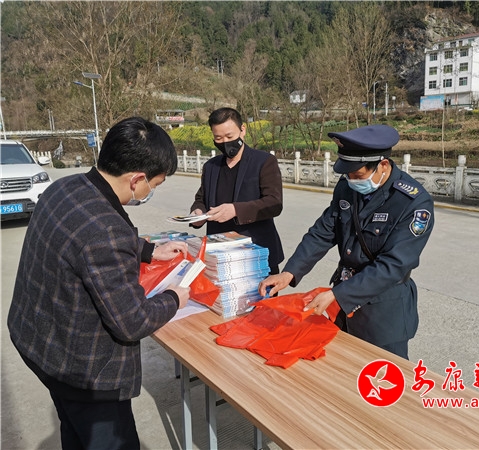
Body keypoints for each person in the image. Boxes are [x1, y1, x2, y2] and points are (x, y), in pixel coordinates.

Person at [7, 117, 190, 450]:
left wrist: (149, 250)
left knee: (75, 433)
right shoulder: (107, 229)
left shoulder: (67, 187)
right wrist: (174, 298)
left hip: (40, 344)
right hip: (83, 372)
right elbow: (132, 322)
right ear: (137, 179)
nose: (152, 191)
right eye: (155, 184)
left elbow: (84, 237)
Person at [258, 124, 434, 360]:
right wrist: (289, 273)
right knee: (342, 369)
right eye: (347, 175)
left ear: (382, 165)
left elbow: (393, 265)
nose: (352, 180)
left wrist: (339, 295)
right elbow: (322, 232)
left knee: (383, 376)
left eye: (358, 176)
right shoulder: (347, 187)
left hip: (383, 313)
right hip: (343, 304)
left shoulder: (412, 202)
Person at [189, 107, 284, 274]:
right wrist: (198, 213)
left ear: (242, 130)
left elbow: (274, 203)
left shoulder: (264, 162)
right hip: (219, 254)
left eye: (229, 136)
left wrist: (235, 210)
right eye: (218, 138)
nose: (225, 142)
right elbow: (201, 199)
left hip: (255, 253)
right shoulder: (211, 166)